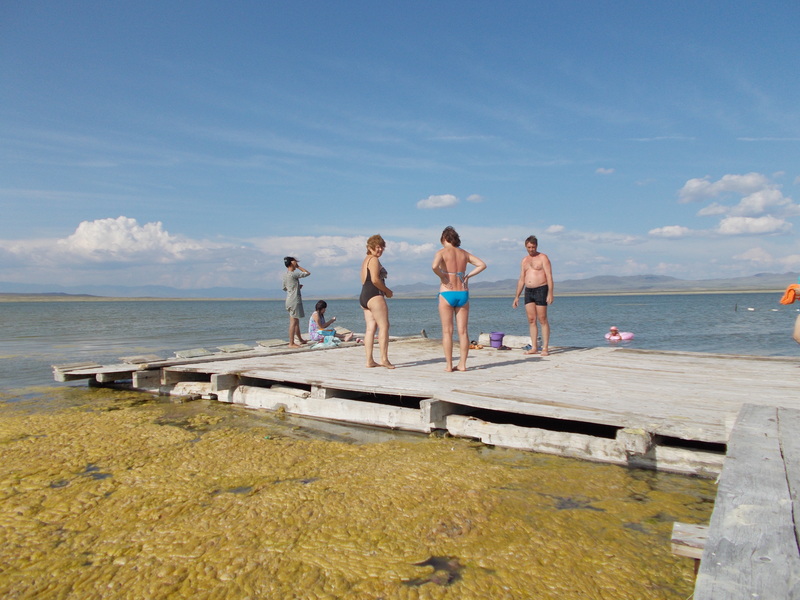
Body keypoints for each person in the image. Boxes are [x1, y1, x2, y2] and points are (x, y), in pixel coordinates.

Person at [432, 226, 486, 372]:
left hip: (447, 293)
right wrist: (468, 276)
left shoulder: (442, 252)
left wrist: (443, 276)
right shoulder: (464, 253)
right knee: (463, 331)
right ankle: (462, 364)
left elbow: (434, 266)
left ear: (444, 239)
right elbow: (482, 264)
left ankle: (449, 365)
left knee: (447, 331)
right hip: (462, 293)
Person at [512, 235, 554, 356]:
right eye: (529, 247)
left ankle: (545, 347)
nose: (531, 249)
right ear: (526, 247)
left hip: (541, 288)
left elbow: (549, 276)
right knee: (531, 319)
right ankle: (534, 347)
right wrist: (516, 296)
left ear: (536, 246)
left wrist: (550, 293)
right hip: (528, 290)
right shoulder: (524, 260)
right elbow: (521, 279)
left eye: (533, 247)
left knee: (542, 319)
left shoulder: (543, 258)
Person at [360, 234, 394, 368]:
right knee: (384, 326)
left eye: (382, 247)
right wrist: (387, 291)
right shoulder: (373, 260)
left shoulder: (365, 260)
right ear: (370, 247)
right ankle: (384, 359)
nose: (379, 250)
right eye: (377, 247)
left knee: (370, 329)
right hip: (374, 294)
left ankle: (369, 360)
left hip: (364, 296)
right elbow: (374, 279)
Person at [282, 256, 310, 348]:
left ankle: (300, 339)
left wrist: (296, 287)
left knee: (296, 320)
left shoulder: (285, 275)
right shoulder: (293, 274)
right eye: (295, 262)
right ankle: (291, 343)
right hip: (294, 300)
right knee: (293, 322)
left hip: (289, 300)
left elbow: (284, 288)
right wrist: (298, 266)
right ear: (291, 263)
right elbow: (307, 273)